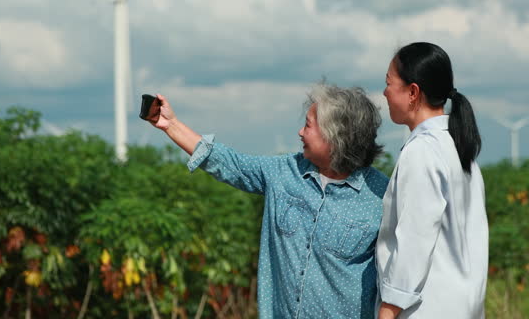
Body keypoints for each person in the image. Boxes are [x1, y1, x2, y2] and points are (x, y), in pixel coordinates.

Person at [145, 83, 389, 318]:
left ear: (335, 137)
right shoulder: (284, 171)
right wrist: (171, 125)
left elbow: (402, 270)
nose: (300, 132)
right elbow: (230, 163)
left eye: (308, 125)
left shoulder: (383, 195)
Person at [376, 42, 488, 319]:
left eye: (389, 83)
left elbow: (414, 239)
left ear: (413, 92)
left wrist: (389, 309)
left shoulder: (422, 152)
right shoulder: (459, 148)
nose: (384, 93)